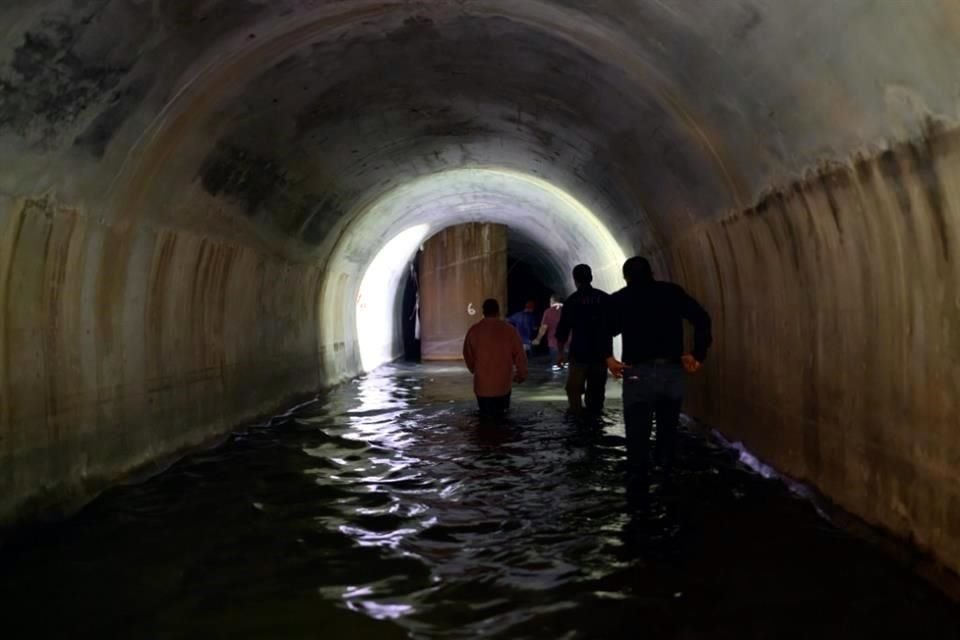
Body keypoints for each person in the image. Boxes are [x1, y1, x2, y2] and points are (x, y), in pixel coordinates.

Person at [604, 256, 712, 479]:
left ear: (626, 278)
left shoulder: (621, 299)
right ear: (652, 273)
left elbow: (602, 328)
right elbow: (702, 318)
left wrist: (608, 358)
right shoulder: (671, 292)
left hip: (638, 374)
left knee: (637, 441)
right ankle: (667, 487)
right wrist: (697, 354)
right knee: (667, 434)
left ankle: (639, 498)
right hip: (671, 373)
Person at [555, 264, 610, 413]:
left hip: (579, 354)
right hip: (600, 355)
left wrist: (560, 353)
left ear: (575, 280)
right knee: (596, 395)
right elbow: (614, 326)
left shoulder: (572, 301)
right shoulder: (604, 298)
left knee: (574, 392)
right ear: (591, 277)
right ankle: (595, 425)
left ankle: (577, 422)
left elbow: (563, 330)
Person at [463, 298, 529, 416]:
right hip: (503, 386)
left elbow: (467, 355)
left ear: (483, 312)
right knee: (503, 421)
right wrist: (521, 375)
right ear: (498, 311)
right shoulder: (510, 330)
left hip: (482, 386)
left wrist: (475, 370)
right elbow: (520, 355)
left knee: (484, 422)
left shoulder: (474, 331)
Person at [533, 294, 565, 371]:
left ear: (552, 301)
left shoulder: (549, 311)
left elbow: (544, 327)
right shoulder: (570, 309)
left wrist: (538, 339)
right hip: (569, 345)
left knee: (557, 369)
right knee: (567, 369)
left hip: (555, 344)